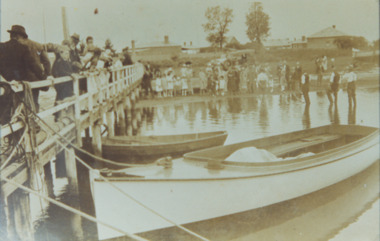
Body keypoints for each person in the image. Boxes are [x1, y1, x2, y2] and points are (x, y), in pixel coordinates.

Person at [0, 25, 44, 110]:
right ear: (18, 36)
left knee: (8, 111)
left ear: (11, 35)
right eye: (23, 38)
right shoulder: (24, 48)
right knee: (25, 108)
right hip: (20, 83)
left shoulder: (1, 47)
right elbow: (34, 65)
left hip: (5, 84)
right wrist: (43, 77)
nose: (23, 40)